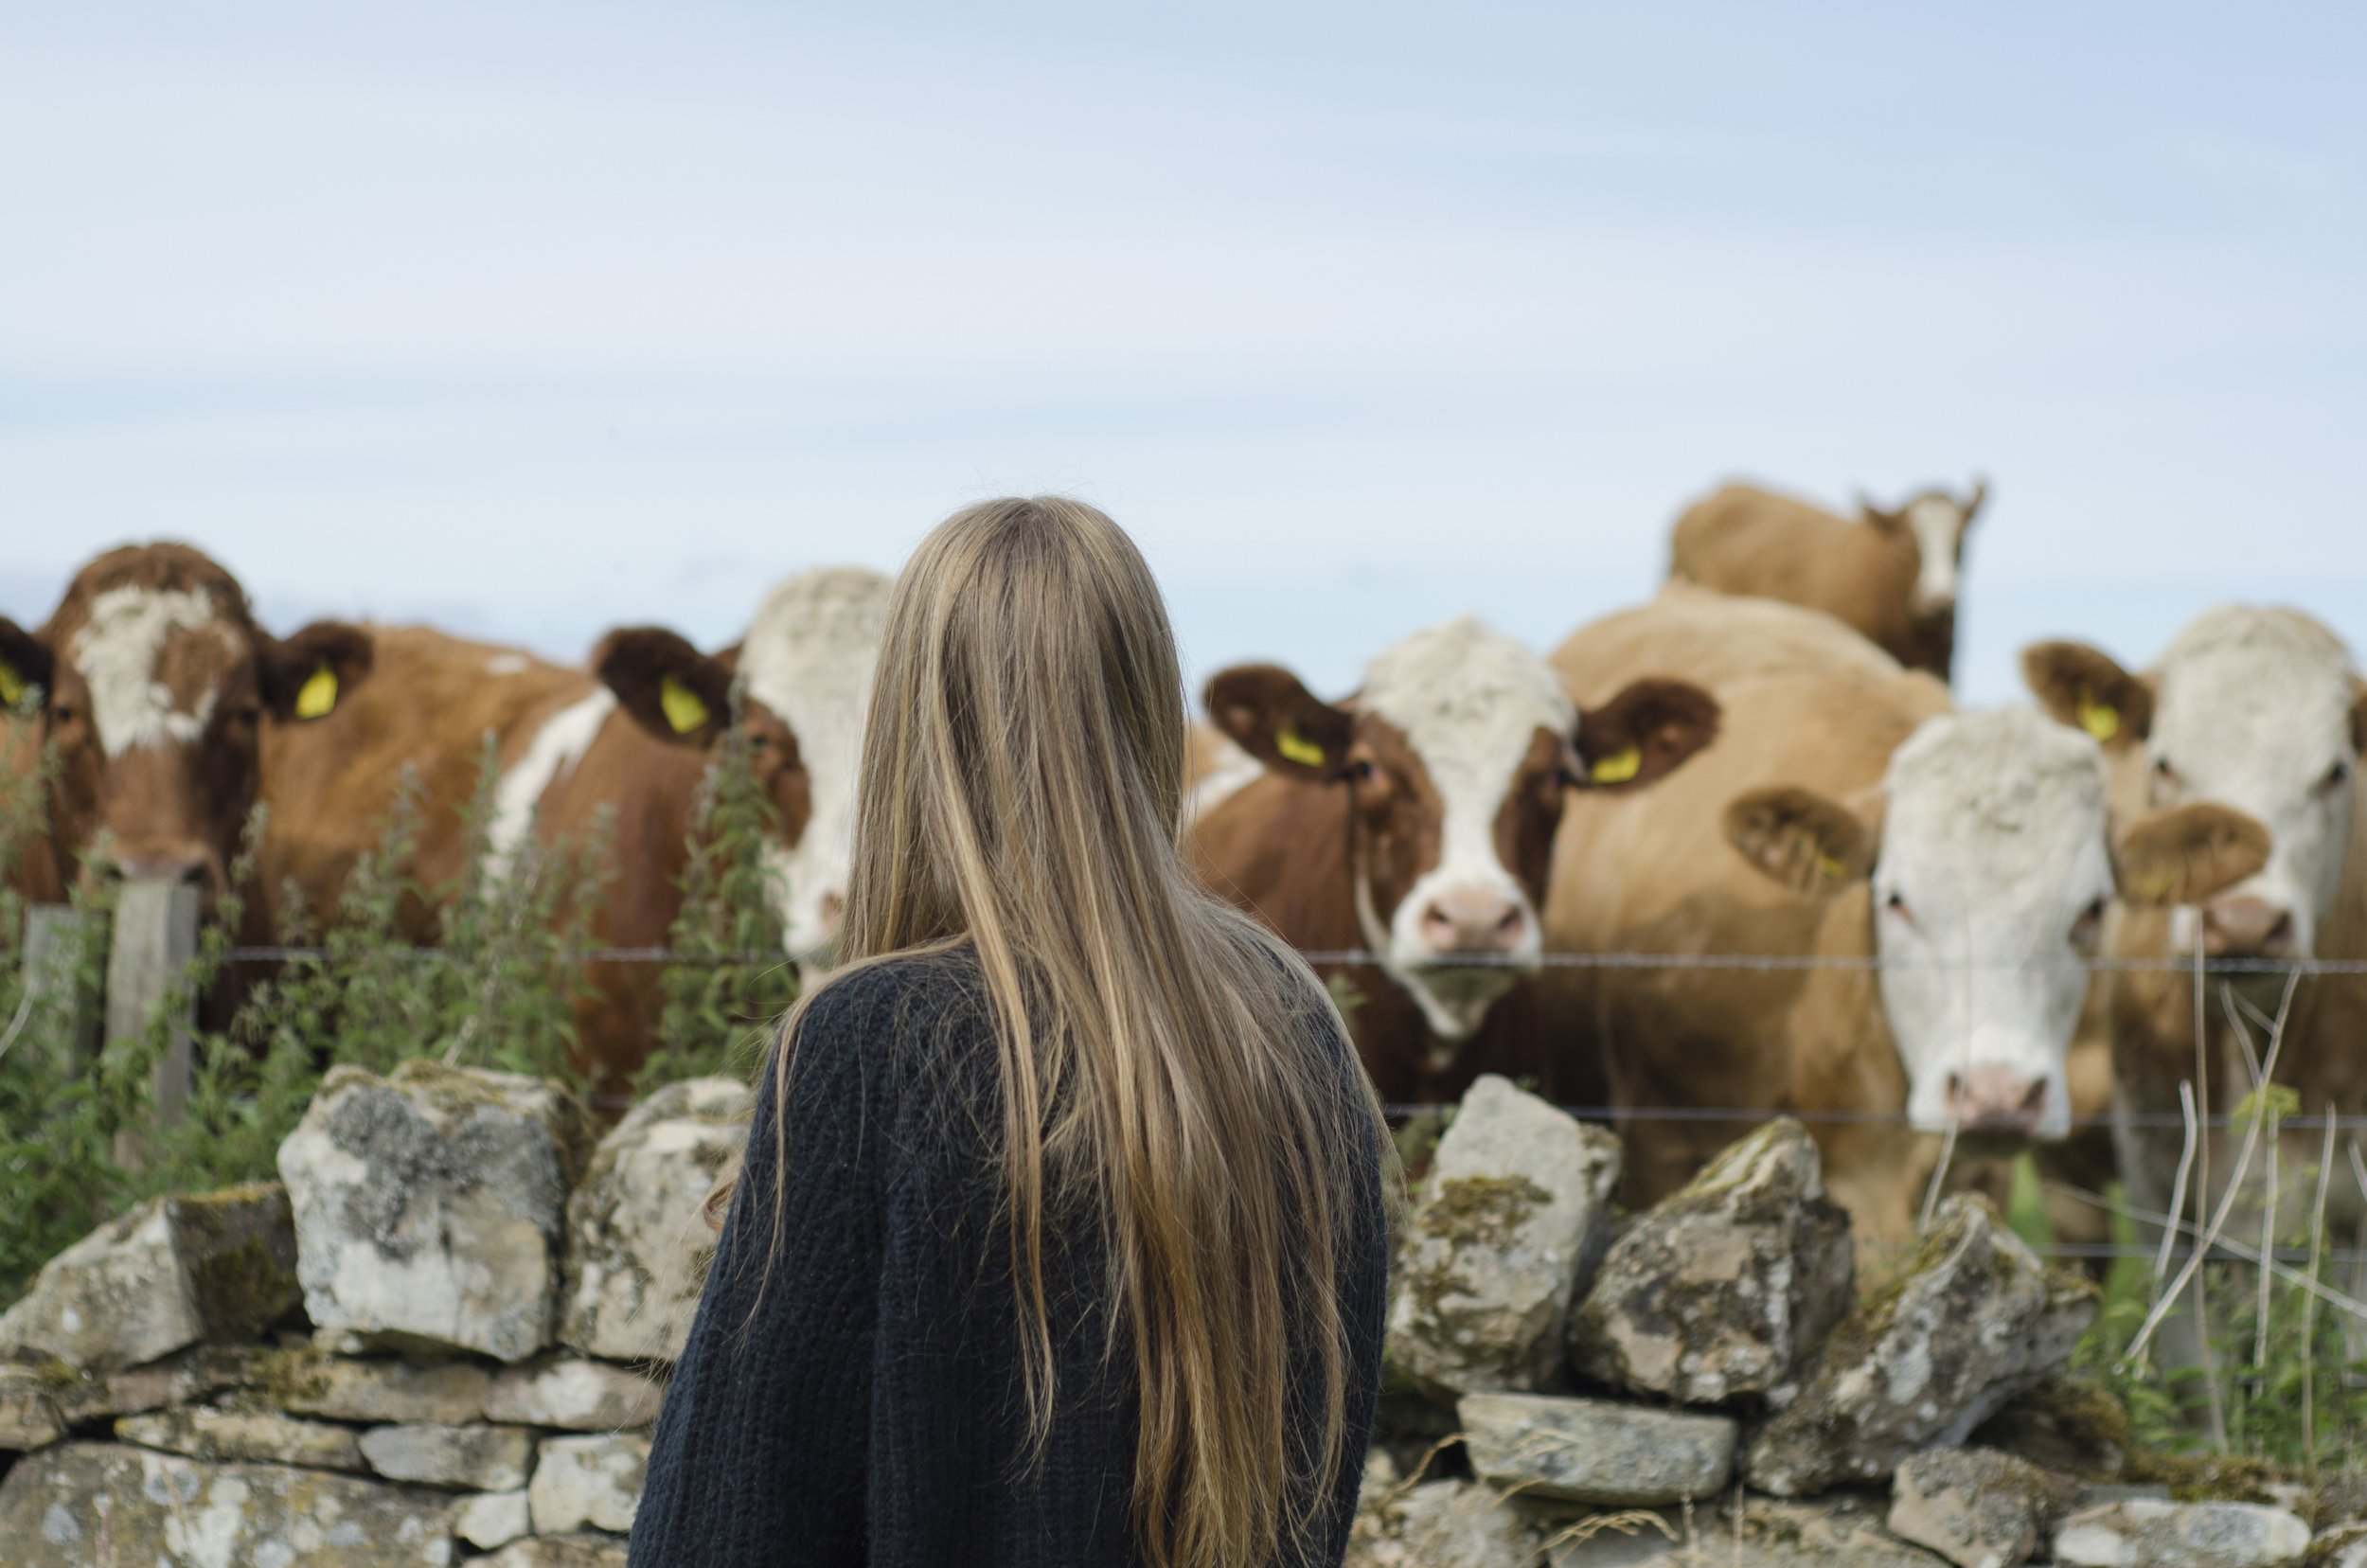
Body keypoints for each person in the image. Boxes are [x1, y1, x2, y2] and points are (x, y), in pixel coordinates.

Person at [629, 497, 1394, 1568]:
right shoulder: (1287, 1024)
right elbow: (1318, 1475)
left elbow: (724, 1526)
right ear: (1142, 702)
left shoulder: (868, 1043)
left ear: (908, 718)